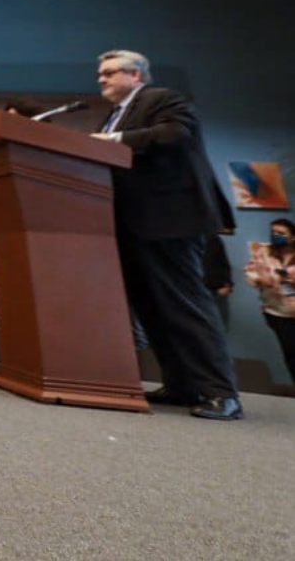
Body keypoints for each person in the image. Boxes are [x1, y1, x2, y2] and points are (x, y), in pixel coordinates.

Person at [91, 49, 241, 420]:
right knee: (153, 307)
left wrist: (114, 140)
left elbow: (175, 134)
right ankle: (181, 385)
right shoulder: (113, 114)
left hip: (170, 221)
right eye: (100, 73)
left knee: (185, 304)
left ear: (136, 75)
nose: (101, 78)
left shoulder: (162, 98)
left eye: (110, 72)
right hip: (133, 225)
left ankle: (221, 394)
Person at [245, 218, 295, 384]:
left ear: (292, 237)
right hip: (277, 312)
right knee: (290, 353)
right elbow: (250, 271)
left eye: (281, 233)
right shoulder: (264, 252)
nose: (276, 235)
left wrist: (289, 278)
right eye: (273, 232)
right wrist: (259, 280)